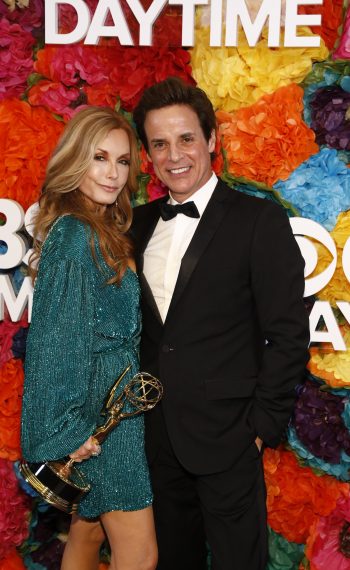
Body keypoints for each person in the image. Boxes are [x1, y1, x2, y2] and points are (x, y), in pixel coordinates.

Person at [131, 77, 310, 570]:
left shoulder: (258, 221)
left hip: (230, 439)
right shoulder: (136, 224)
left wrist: (259, 428)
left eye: (186, 138)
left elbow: (289, 335)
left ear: (211, 140)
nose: (174, 155)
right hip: (156, 442)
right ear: (148, 153)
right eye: (159, 144)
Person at [21, 106, 157, 570]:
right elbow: (55, 342)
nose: (113, 173)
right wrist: (67, 431)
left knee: (87, 535)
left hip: (114, 411)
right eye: (100, 157)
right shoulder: (77, 235)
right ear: (75, 158)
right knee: (139, 555)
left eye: (123, 161)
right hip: (99, 421)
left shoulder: (101, 229)